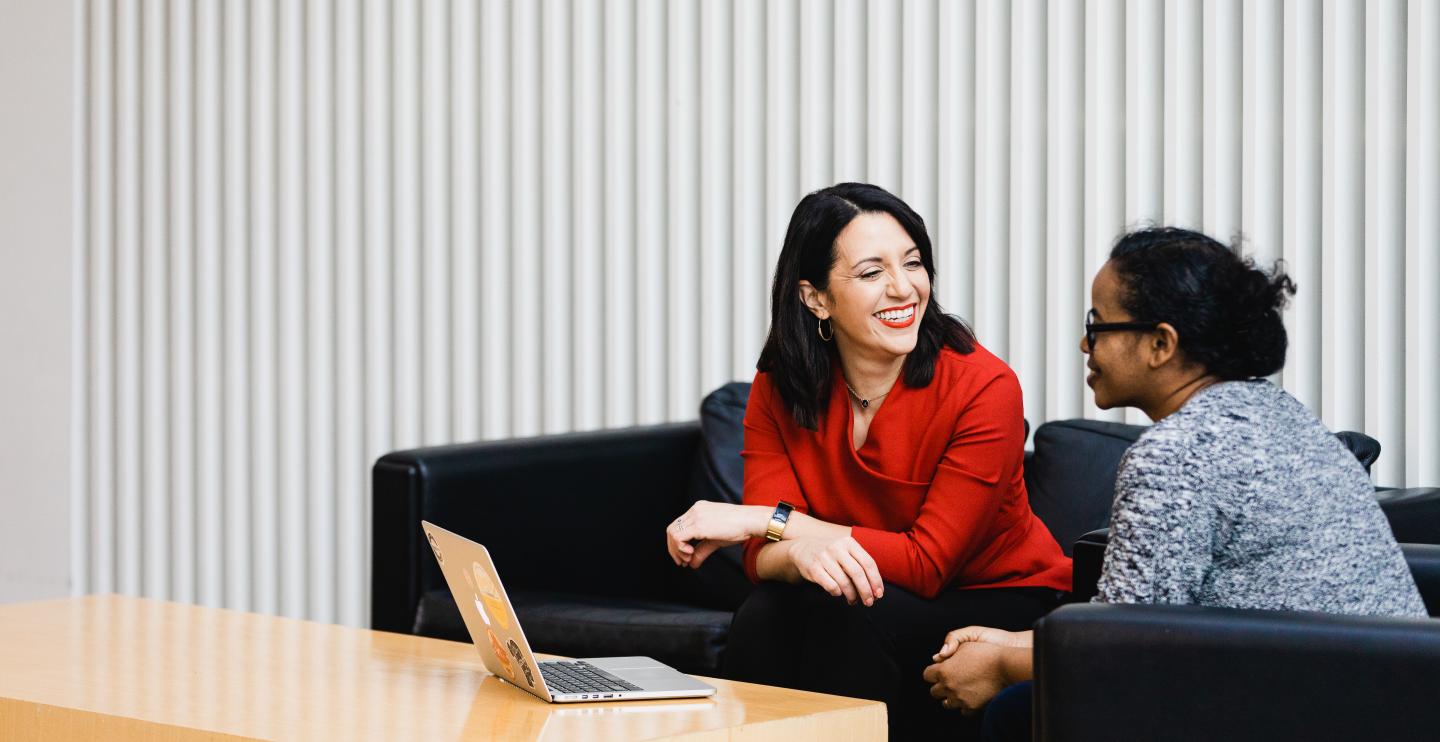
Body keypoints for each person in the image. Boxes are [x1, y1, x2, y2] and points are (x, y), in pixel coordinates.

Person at [922, 227, 1428, 741]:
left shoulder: (1176, 455)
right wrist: (1010, 643)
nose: (1084, 344)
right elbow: (1144, 616)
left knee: (1017, 709)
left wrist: (1002, 668)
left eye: (1097, 325)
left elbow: (1120, 648)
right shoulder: (1279, 414)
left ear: (1160, 344)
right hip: (1385, 694)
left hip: (1299, 704)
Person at [664, 183, 1072, 739]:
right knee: (772, 608)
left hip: (997, 595)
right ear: (816, 298)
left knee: (841, 616)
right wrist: (795, 547)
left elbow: (928, 562)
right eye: (871, 272)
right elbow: (764, 559)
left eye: (913, 263)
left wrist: (768, 520)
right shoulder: (780, 384)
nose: (904, 288)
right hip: (865, 594)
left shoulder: (984, 386)